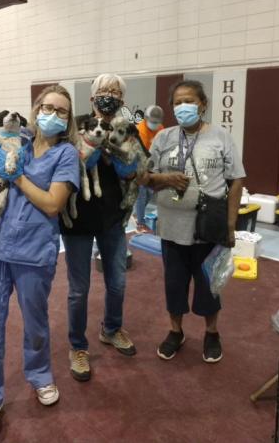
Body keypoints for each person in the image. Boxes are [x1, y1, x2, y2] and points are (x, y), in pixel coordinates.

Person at [0, 85, 80, 442]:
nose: (52, 114)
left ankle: (40, 375)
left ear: (67, 120)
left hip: (34, 253)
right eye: (47, 107)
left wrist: (16, 176)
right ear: (35, 109)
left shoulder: (66, 154)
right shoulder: (16, 138)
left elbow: (52, 204)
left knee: (35, 322)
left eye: (61, 111)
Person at [144, 80, 245, 363]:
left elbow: (236, 179)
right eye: (177, 102)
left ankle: (211, 333)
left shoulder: (220, 137)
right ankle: (175, 331)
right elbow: (145, 177)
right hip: (171, 228)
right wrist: (165, 179)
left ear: (203, 104)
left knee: (208, 284)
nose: (182, 107)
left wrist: (230, 225)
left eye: (188, 101)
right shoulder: (163, 138)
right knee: (174, 284)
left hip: (207, 229)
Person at [60, 73, 138, 383]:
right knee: (78, 290)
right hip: (78, 218)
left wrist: (126, 161)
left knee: (117, 282)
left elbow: (136, 170)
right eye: (104, 91)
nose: (109, 95)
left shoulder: (127, 129)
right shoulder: (76, 124)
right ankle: (77, 347)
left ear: (122, 98)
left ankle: (111, 329)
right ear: (92, 97)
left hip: (112, 218)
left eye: (115, 92)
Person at [134, 105, 164, 233]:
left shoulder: (161, 129)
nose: (155, 124)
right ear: (146, 118)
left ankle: (136, 214)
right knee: (141, 193)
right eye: (152, 121)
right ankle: (140, 223)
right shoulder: (140, 130)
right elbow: (141, 153)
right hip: (139, 163)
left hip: (153, 164)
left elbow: (162, 147)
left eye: (157, 122)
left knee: (150, 193)